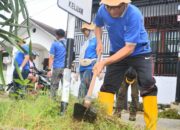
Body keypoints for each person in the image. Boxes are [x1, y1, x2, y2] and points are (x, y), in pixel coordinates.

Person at [94, 0, 158, 130]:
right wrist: (99, 42)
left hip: (139, 51)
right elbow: (97, 25)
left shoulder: (134, 14)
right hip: (117, 50)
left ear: (125, 4)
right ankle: (103, 124)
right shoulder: (102, 10)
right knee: (108, 86)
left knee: (148, 85)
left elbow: (129, 48)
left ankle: (151, 127)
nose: (112, 11)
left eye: (117, 7)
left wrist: (104, 62)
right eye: (109, 7)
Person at [76, 23, 97, 100]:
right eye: (83, 30)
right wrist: (77, 72)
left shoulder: (96, 40)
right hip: (82, 66)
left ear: (90, 30)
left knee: (84, 84)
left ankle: (80, 102)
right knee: (84, 85)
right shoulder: (85, 43)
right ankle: (84, 103)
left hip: (90, 66)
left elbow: (99, 54)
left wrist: (101, 70)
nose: (84, 32)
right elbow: (80, 57)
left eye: (85, 30)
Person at [47, 29, 66, 100]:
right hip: (66, 68)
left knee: (54, 85)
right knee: (65, 86)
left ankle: (52, 101)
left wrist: (49, 69)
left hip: (57, 67)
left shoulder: (55, 44)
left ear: (57, 35)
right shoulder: (69, 43)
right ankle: (64, 101)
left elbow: (51, 57)